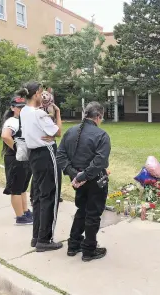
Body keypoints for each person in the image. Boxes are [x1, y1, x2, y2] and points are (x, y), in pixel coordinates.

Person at [56, 102, 111, 262]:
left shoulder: (71, 131)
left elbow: (61, 155)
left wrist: (76, 175)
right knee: (93, 214)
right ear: (99, 117)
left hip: (80, 180)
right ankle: (89, 249)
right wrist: (80, 176)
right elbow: (99, 162)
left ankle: (74, 244)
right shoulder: (101, 135)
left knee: (82, 210)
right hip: (94, 180)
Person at [18, 81, 63, 252]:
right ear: (37, 93)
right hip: (47, 154)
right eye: (42, 92)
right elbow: (57, 132)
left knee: (38, 197)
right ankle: (45, 239)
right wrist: (57, 113)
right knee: (50, 196)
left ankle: (36, 236)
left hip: (34, 156)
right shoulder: (39, 115)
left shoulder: (24, 112)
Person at [1, 96, 33, 225]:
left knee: (22, 188)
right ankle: (20, 217)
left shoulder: (24, 120)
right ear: (12, 108)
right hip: (15, 159)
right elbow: (5, 136)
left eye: (23, 107)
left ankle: (25, 211)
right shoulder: (12, 121)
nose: (21, 109)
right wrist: (17, 148)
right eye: (18, 107)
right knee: (16, 189)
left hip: (24, 159)